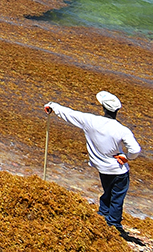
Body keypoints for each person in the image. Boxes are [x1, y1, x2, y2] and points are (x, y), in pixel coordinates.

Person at [44, 91, 141, 236]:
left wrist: (52, 106)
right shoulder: (122, 130)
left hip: (102, 168)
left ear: (103, 108)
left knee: (107, 193)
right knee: (117, 197)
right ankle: (113, 225)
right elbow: (135, 150)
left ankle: (102, 217)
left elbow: (69, 114)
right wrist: (126, 157)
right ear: (117, 111)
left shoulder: (90, 121)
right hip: (118, 170)